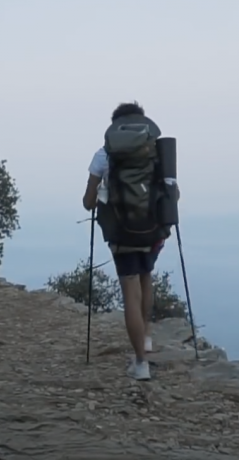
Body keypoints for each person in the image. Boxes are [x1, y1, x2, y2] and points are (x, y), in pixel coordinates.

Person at [82, 101, 177, 381]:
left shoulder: (104, 154)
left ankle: (140, 364)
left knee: (130, 290)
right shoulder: (158, 151)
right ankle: (146, 338)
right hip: (154, 230)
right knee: (146, 275)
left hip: (121, 232)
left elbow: (88, 202)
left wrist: (100, 197)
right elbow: (173, 192)